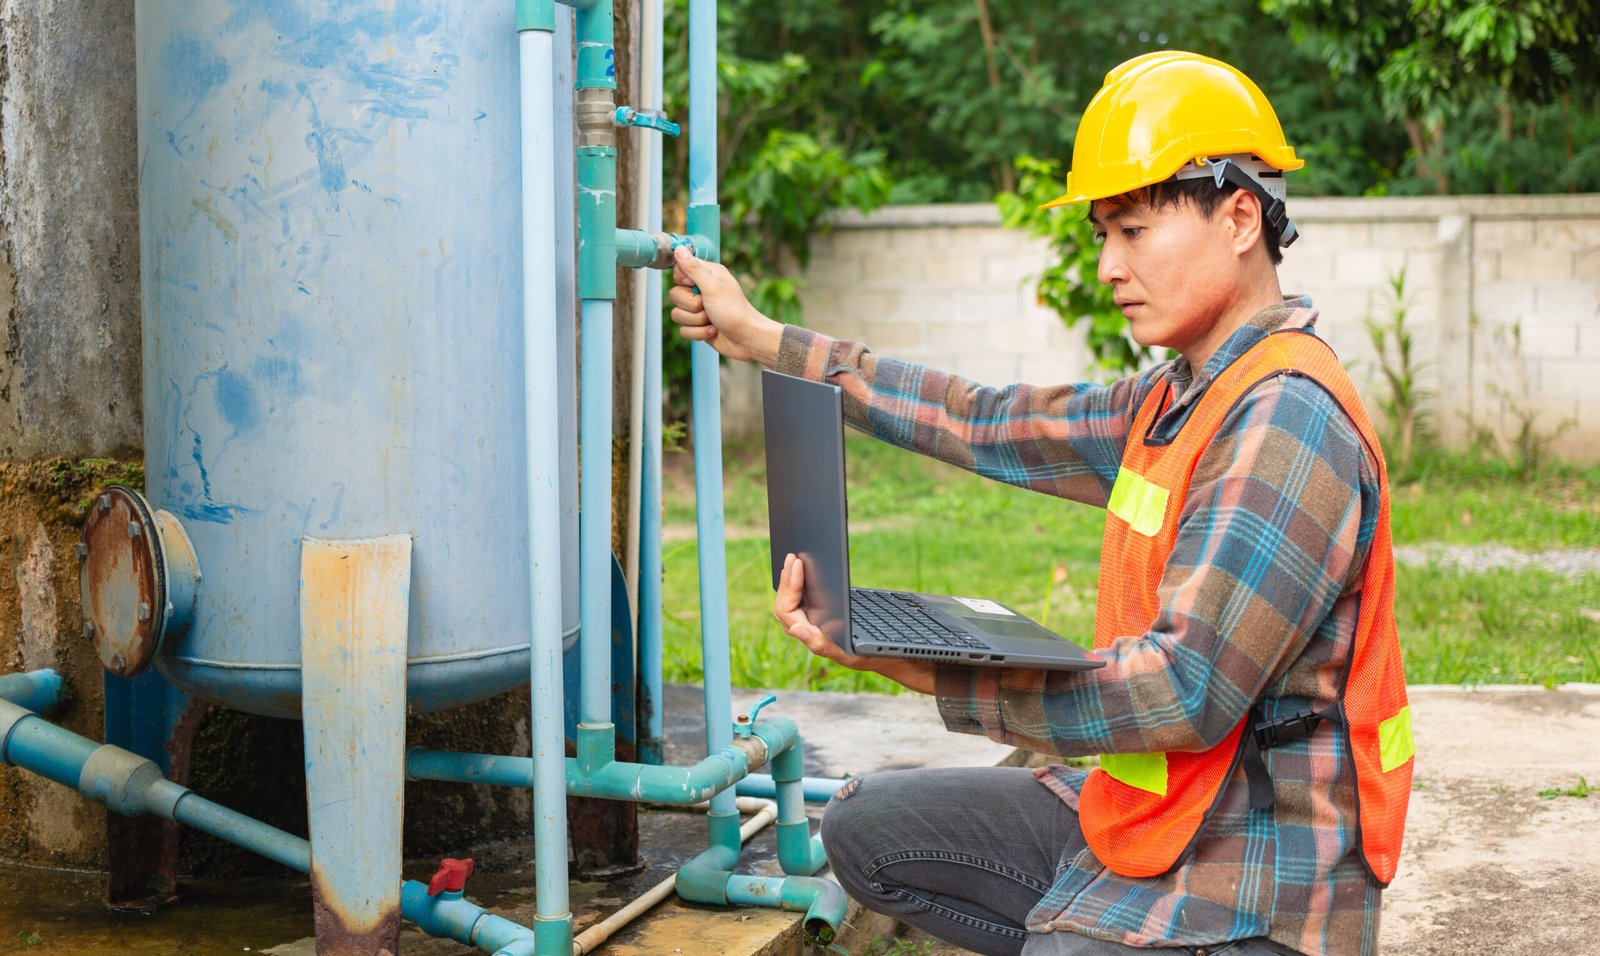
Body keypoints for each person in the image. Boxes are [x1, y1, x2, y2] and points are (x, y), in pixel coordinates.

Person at [667, 51, 1412, 956]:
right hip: (1159, 814)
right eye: (1103, 234)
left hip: (1263, 877)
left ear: (1240, 217)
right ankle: (1095, 927)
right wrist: (766, 340)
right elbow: (981, 419)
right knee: (869, 826)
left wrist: (938, 673)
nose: (1108, 265)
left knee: (1065, 945)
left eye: (1133, 230)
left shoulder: (1287, 419)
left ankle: (1093, 934)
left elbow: (1183, 692)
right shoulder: (1176, 401)